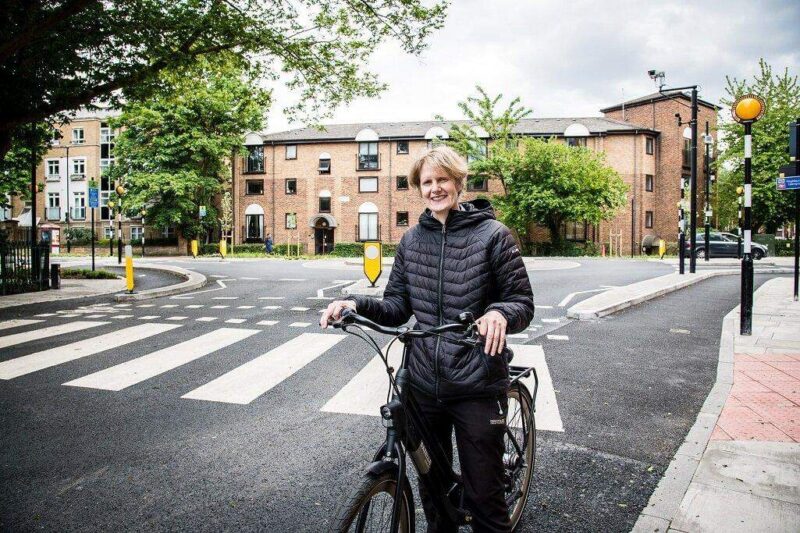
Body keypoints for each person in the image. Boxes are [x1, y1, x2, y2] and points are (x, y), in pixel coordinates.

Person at [320, 146, 534, 532]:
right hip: (423, 382)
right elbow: (397, 306)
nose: (435, 188)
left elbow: (521, 302)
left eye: (442, 180)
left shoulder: (494, 236)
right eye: (427, 182)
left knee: (485, 499)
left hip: (476, 381)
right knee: (433, 491)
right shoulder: (412, 240)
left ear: (458, 183)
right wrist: (354, 304)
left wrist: (499, 314)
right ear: (419, 187)